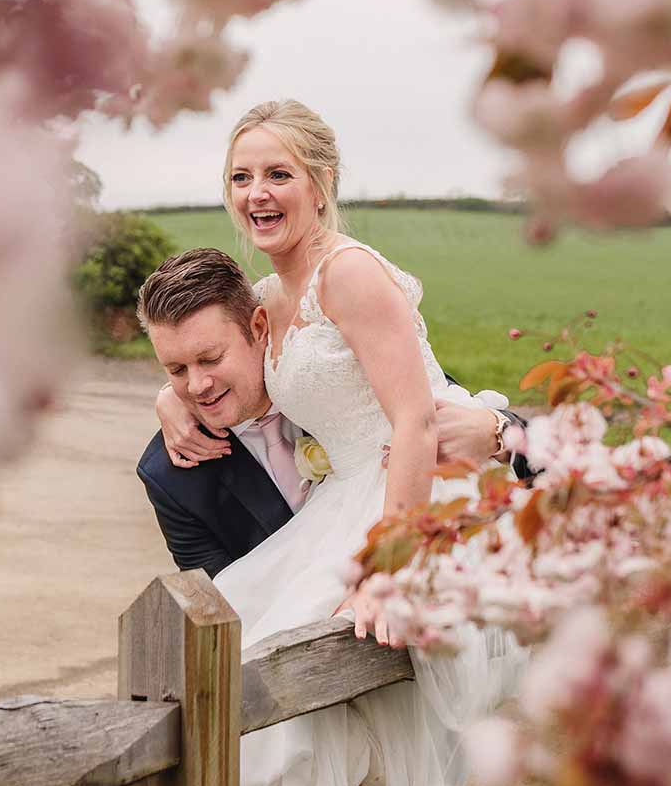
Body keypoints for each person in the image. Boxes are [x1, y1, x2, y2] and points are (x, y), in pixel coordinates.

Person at [177, 98, 526, 786]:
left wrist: (388, 570)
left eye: (278, 173)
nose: (256, 193)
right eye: (241, 177)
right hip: (344, 503)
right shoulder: (267, 300)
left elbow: (415, 423)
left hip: (413, 498)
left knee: (290, 705)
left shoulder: (352, 274)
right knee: (252, 687)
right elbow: (228, 378)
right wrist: (170, 396)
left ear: (322, 181)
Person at [134, 245, 518, 576]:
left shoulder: (335, 373)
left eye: (211, 358)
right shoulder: (172, 478)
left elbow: (455, 408)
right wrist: (170, 394)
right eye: (177, 370)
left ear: (258, 328)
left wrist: (496, 432)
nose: (197, 386)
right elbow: (227, 616)